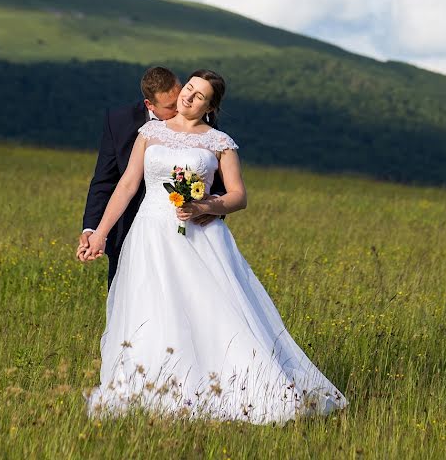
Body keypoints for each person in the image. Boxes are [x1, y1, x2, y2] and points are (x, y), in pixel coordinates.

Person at [77, 69, 347, 424]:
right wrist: (98, 234)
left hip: (199, 238)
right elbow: (126, 186)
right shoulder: (150, 132)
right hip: (150, 236)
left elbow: (238, 196)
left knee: (211, 311)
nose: (189, 97)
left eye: (199, 95)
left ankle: (229, 387)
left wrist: (205, 206)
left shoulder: (220, 142)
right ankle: (153, 389)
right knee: (152, 312)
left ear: (210, 106)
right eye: (188, 88)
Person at [79, 66, 218, 288]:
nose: (180, 108)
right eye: (170, 107)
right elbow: (106, 180)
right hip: (129, 227)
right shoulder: (119, 121)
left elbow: (213, 176)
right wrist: (93, 230)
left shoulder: (202, 122)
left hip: (187, 231)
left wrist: (211, 208)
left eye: (180, 96)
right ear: (149, 105)